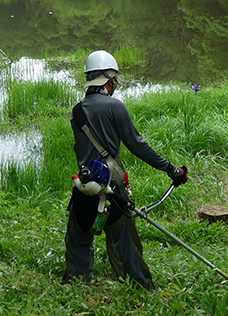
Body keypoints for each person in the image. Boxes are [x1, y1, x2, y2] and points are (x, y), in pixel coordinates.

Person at [63, 49, 188, 290]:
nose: (115, 85)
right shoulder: (115, 107)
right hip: (112, 185)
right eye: (114, 81)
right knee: (125, 241)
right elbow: (138, 146)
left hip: (83, 183)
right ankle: (139, 285)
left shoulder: (77, 111)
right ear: (108, 81)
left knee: (78, 236)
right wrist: (172, 170)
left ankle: (77, 284)